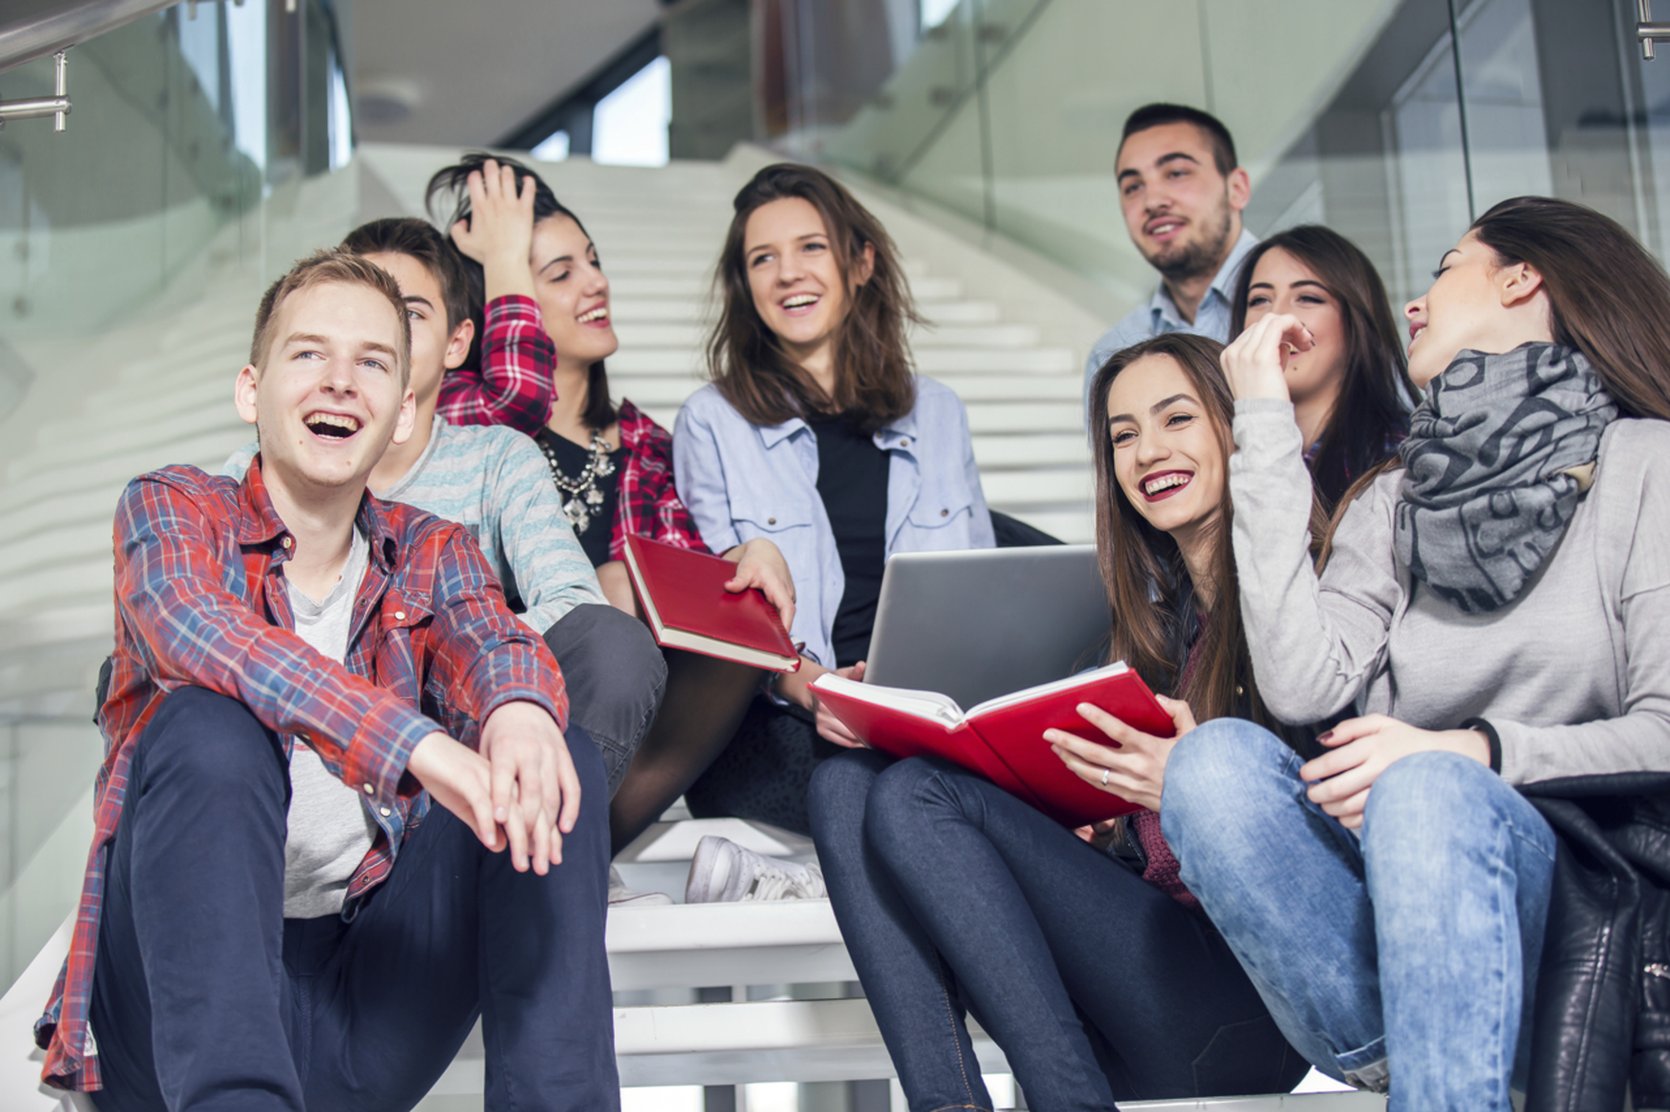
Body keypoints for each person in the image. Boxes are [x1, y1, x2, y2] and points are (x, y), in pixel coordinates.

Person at [36, 250, 617, 1109]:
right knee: (208, 724)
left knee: (549, 754)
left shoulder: (433, 546)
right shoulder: (173, 508)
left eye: (374, 363)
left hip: (364, 1002)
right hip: (179, 1008)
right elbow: (196, 631)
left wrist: (521, 707)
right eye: (309, 354)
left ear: (404, 413)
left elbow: (492, 638)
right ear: (251, 391)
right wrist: (415, 746)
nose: (341, 382)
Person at [1161, 196, 1670, 1111]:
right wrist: (1265, 426)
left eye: (1445, 266)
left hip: (1584, 901)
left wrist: (1468, 752)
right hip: (1402, 933)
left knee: (1431, 787)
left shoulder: (1647, 466)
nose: (1414, 302)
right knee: (1213, 762)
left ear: (1523, 278)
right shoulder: (1392, 500)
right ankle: (1440, 1051)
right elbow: (1297, 680)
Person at [807, 333, 1311, 1108]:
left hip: (1248, 1005)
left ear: (1237, 424)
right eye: (1124, 435)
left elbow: (1318, 850)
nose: (1147, 452)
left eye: (1177, 420)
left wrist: (1184, 788)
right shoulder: (1157, 627)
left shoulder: (1296, 605)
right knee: (844, 785)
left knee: (918, 797)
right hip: (1135, 999)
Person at [424, 154, 796, 856]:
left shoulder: (646, 444)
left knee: (731, 606)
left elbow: (690, 602)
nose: (596, 283)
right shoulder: (462, 417)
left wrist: (744, 563)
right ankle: (553, 837)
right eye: (560, 274)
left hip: (627, 751)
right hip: (496, 727)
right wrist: (503, 253)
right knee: (608, 600)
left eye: (592, 262)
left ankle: (586, 837)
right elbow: (512, 401)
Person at [224, 216, 666, 801]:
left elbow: (572, 605)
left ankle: (549, 851)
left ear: (458, 342)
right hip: (299, 741)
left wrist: (426, 662)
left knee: (609, 641)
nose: (379, 332)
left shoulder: (491, 465)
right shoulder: (243, 477)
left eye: (407, 313)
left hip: (468, 729)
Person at [671, 162, 995, 845]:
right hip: (785, 718)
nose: (788, 273)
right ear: (746, 286)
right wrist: (821, 690)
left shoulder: (938, 412)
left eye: (811, 247)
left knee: (937, 783)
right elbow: (725, 625)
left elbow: (980, 587)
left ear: (860, 262)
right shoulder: (711, 421)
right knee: (872, 789)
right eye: (764, 258)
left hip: (927, 710)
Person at [1229, 224, 1415, 512]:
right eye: (1259, 300)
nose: (1275, 318)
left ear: (1356, 322)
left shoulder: (1399, 457)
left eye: (1308, 298)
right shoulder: (1223, 455)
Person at [1082, 103, 1257, 406]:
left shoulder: (1312, 306)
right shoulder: (1113, 353)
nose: (1152, 201)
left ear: (1237, 188)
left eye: (1176, 173)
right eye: (1133, 186)